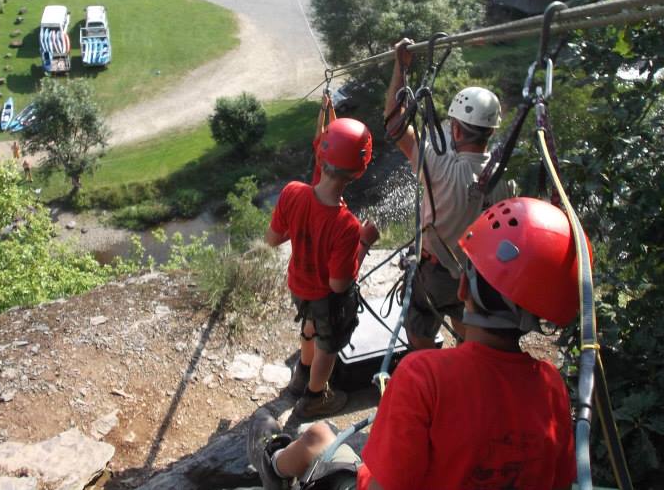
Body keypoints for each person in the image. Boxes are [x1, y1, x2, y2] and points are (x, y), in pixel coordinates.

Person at [248, 197, 580, 490]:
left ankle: (272, 461)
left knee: (318, 436)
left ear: (463, 287)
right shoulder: (551, 385)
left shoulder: (425, 375)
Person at [383, 38, 501, 349]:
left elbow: (395, 123)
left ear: (458, 131)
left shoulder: (440, 166)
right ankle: (466, 359)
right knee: (465, 320)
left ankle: (429, 369)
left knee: (419, 323)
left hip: (435, 274)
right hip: (474, 273)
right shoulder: (504, 178)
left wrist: (401, 66)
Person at [265, 117, 379, 418]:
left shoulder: (292, 192)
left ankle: (300, 375)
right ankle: (315, 396)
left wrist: (301, 223)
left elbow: (273, 239)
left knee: (309, 325)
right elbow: (339, 285)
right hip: (324, 298)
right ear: (359, 171)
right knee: (328, 344)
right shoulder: (347, 226)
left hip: (298, 287)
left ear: (321, 156)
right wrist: (364, 243)